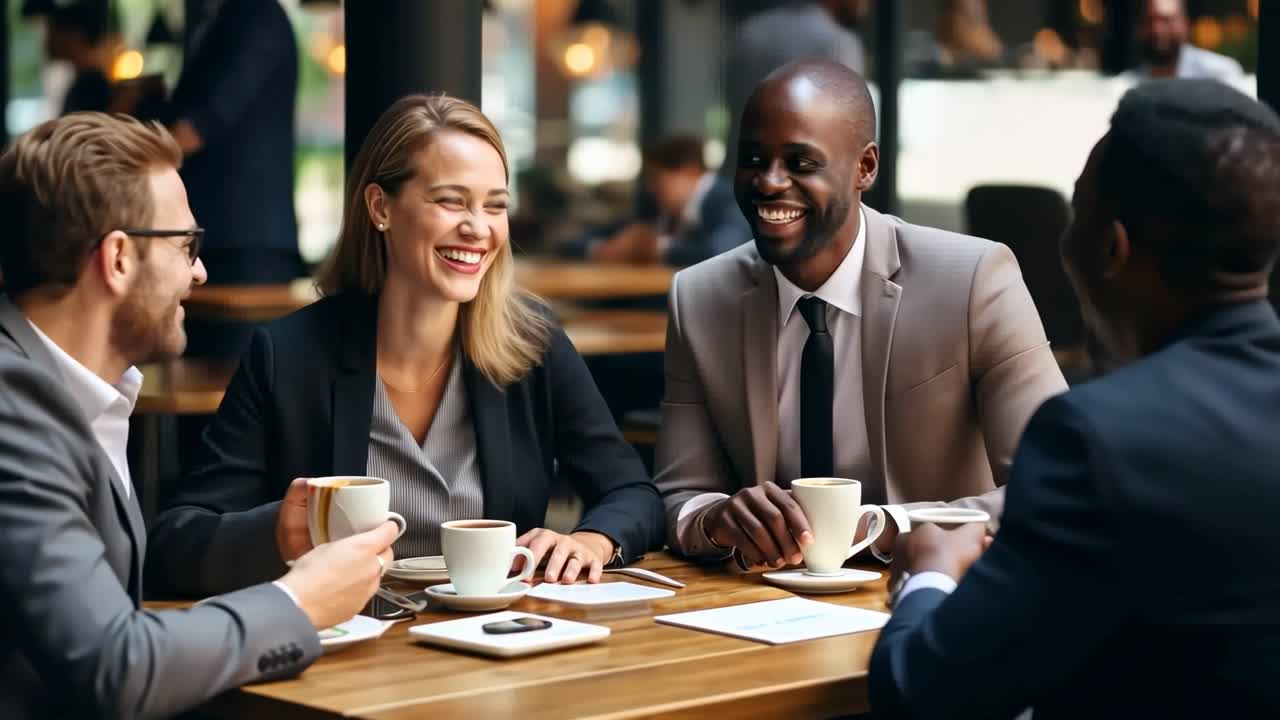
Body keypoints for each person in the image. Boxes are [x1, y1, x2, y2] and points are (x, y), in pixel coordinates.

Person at [870, 79, 1280, 718]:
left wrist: (931, 571)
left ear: (1110, 248)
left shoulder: (1096, 439)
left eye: (1075, 218)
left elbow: (922, 692)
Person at [148, 95, 666, 596]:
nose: (478, 228)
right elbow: (178, 542)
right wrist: (278, 535)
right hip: (348, 657)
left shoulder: (532, 344)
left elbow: (632, 493)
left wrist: (591, 542)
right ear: (381, 208)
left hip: (501, 650)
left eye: (495, 206)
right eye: (450, 201)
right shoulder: (289, 355)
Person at [0, 113, 398, 719]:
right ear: (118, 259)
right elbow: (119, 667)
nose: (200, 272)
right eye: (186, 246)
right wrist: (300, 599)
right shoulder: (12, 410)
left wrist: (276, 540)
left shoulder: (70, 392)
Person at [655, 59, 1066, 569]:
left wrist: (886, 526)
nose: (768, 182)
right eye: (753, 159)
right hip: (760, 602)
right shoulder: (699, 297)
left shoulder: (973, 280)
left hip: (934, 594)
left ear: (865, 168)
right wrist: (718, 520)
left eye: (801, 163)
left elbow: (1055, 484)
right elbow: (679, 493)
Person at [165, 0, 304, 357]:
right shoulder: (215, 19)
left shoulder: (255, 15)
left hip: (247, 246)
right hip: (222, 240)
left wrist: (130, 161)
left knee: (235, 388)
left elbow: (199, 126)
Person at [721, 0, 870, 176]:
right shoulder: (838, 43)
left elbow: (729, 98)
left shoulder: (748, 35)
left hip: (742, 175)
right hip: (808, 183)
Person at [569, 135, 750, 267]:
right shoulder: (655, 205)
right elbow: (572, 242)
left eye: (657, 179)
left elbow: (722, 255)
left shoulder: (729, 201)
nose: (651, 188)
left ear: (690, 172)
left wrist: (657, 248)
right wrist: (602, 250)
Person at [1134, 0, 1243, 82]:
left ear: (1185, 23)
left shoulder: (1219, 74)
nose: (1157, 30)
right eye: (1150, 20)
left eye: (1167, 20)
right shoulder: (1126, 85)